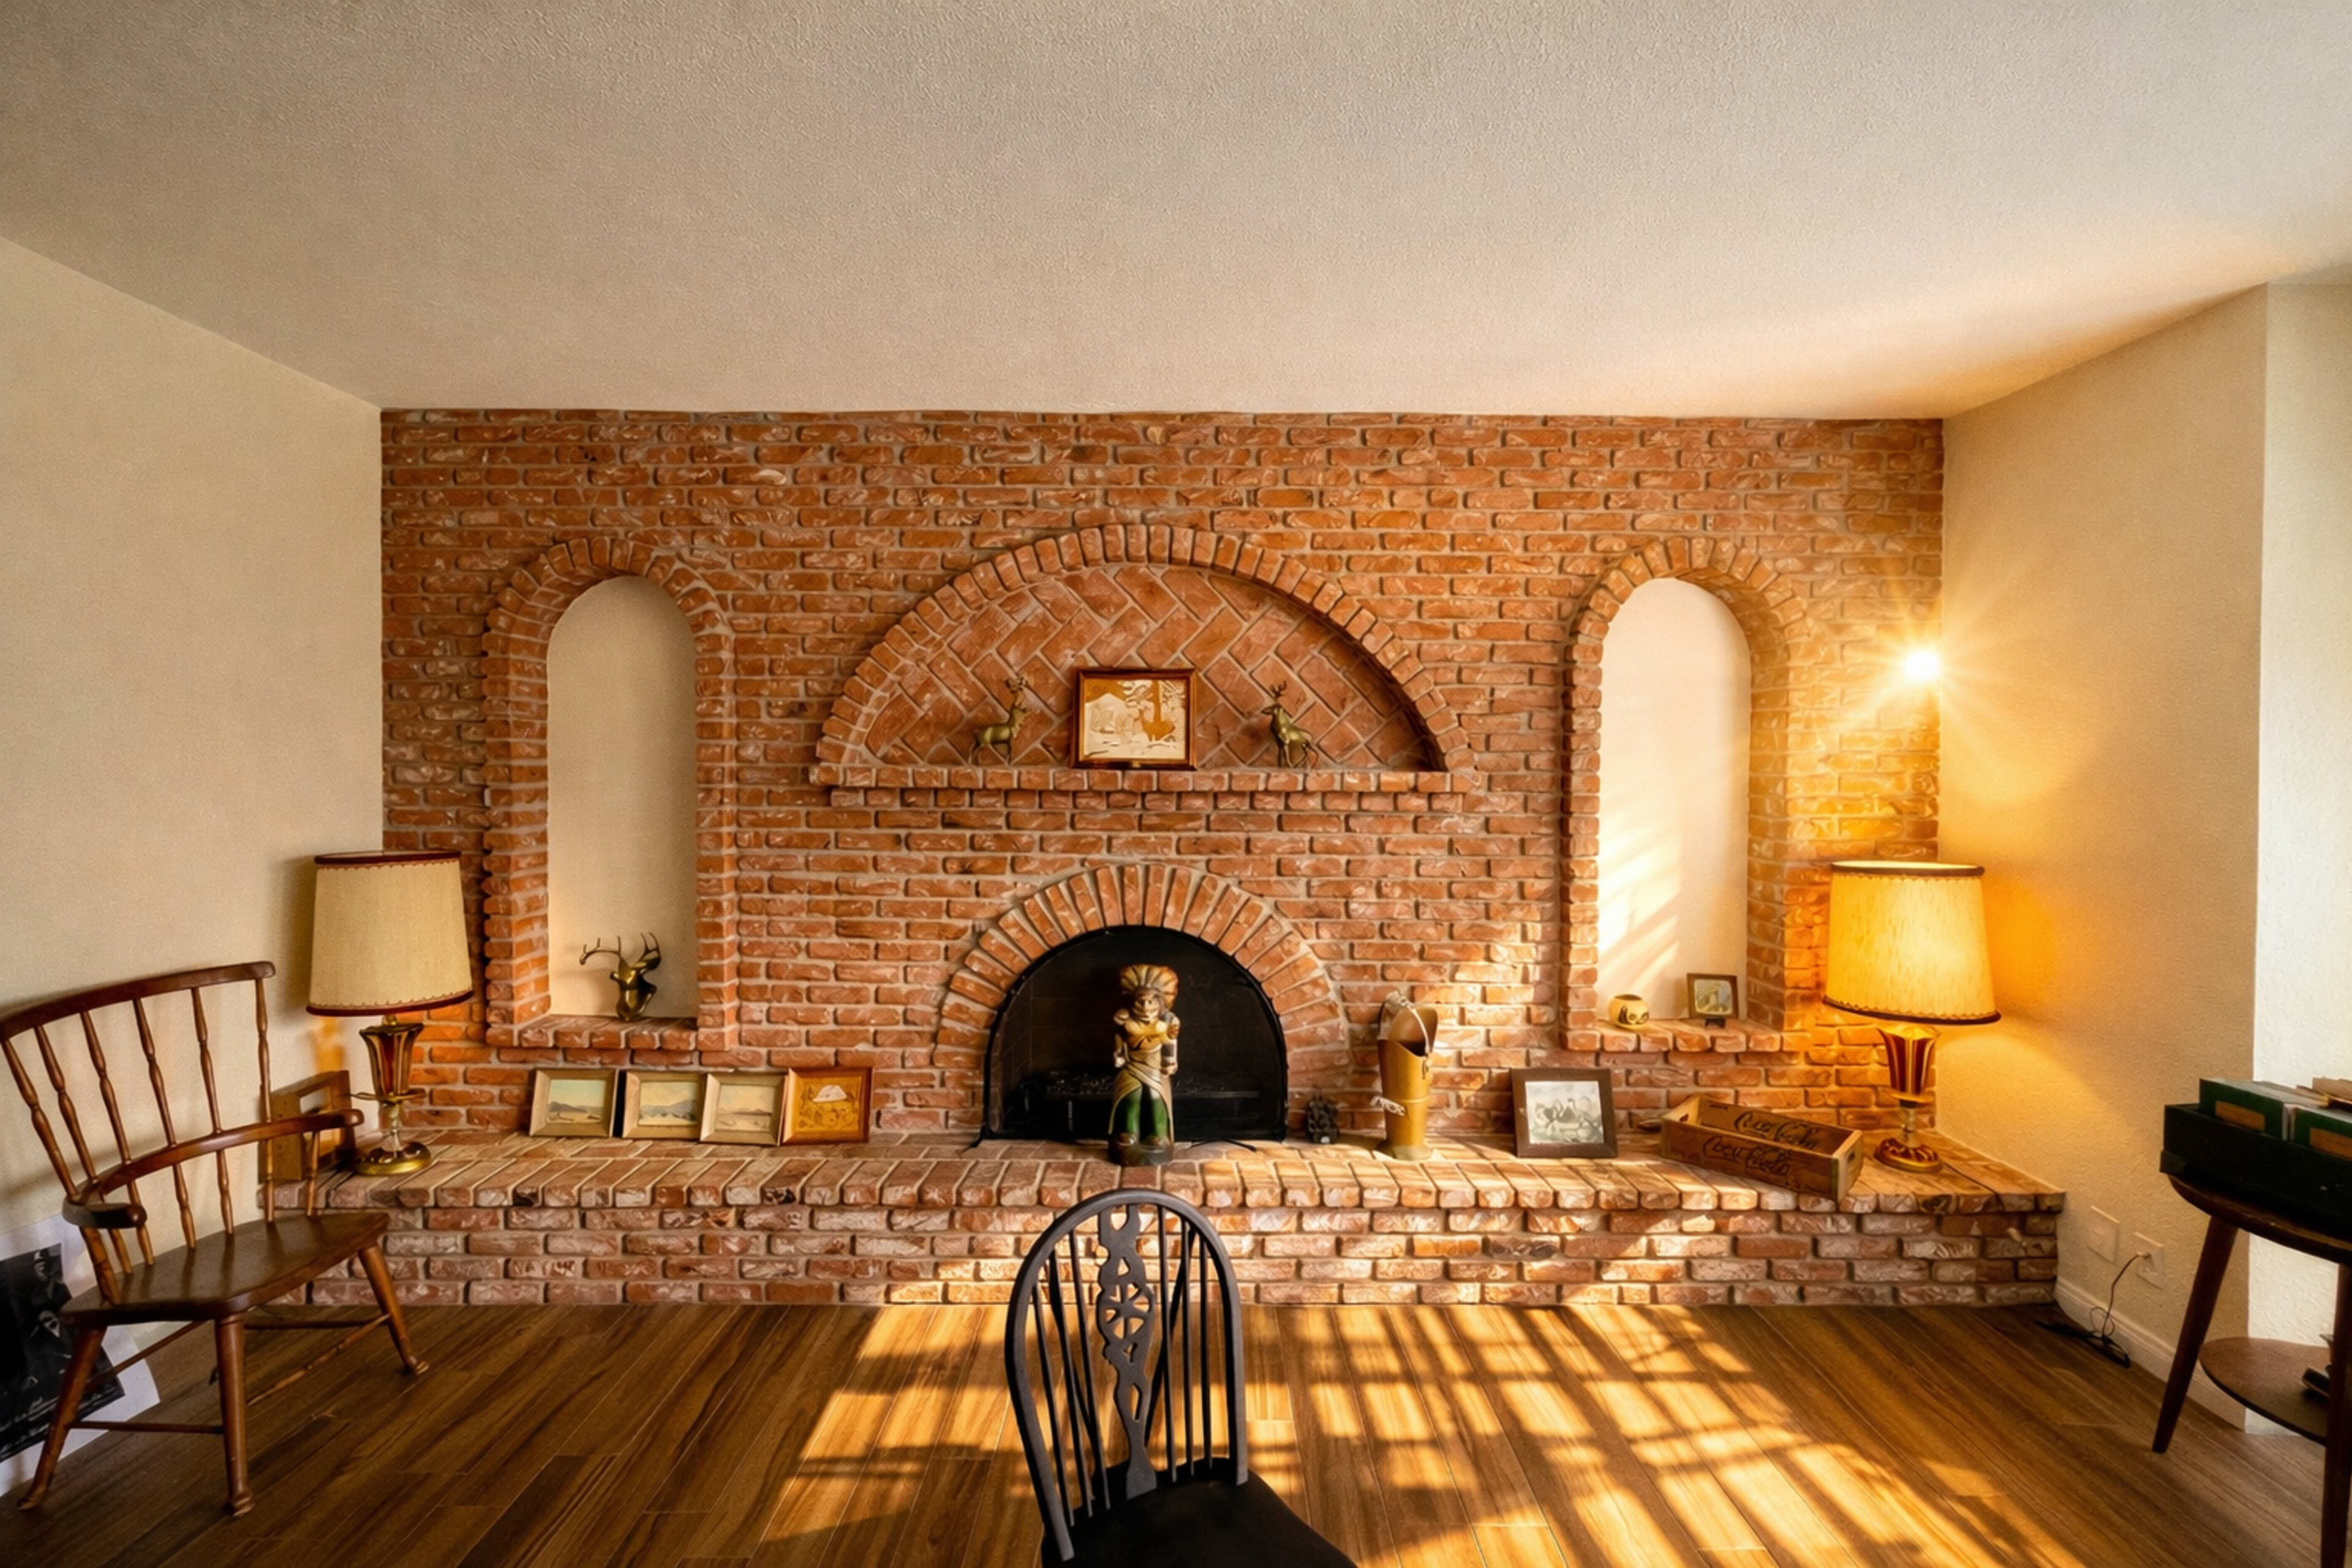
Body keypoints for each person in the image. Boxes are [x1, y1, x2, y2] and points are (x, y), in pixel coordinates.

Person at [1108, 964, 1180, 1166]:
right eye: (1141, 1002)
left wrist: (1170, 1062)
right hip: (1132, 1065)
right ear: (1133, 1003)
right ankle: (1129, 1132)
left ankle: (1158, 1134)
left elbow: (1170, 1044)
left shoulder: (1165, 1024)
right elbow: (1119, 1037)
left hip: (1155, 1067)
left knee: (1155, 1096)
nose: (1146, 1007)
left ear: (1160, 1003)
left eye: (1151, 1002)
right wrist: (1118, 1053)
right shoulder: (1126, 1022)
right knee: (1132, 1095)